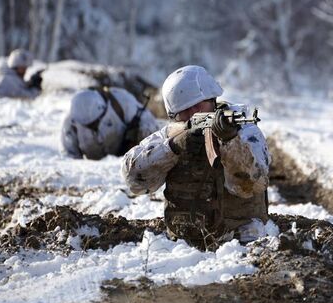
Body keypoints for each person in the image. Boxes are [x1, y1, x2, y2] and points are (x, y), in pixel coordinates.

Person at [121, 65, 270, 250]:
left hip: (240, 242)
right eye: (184, 110)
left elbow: (252, 185)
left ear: (212, 99)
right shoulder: (173, 133)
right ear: (174, 115)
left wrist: (230, 141)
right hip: (182, 246)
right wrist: (172, 147)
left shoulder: (243, 130)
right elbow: (133, 179)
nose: (194, 113)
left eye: (198, 105)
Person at [62, 86, 159, 160]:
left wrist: (144, 149)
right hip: (94, 168)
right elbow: (70, 155)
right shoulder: (72, 121)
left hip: (129, 157)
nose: (93, 127)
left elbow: (149, 124)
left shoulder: (122, 100)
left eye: (95, 123)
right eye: (88, 126)